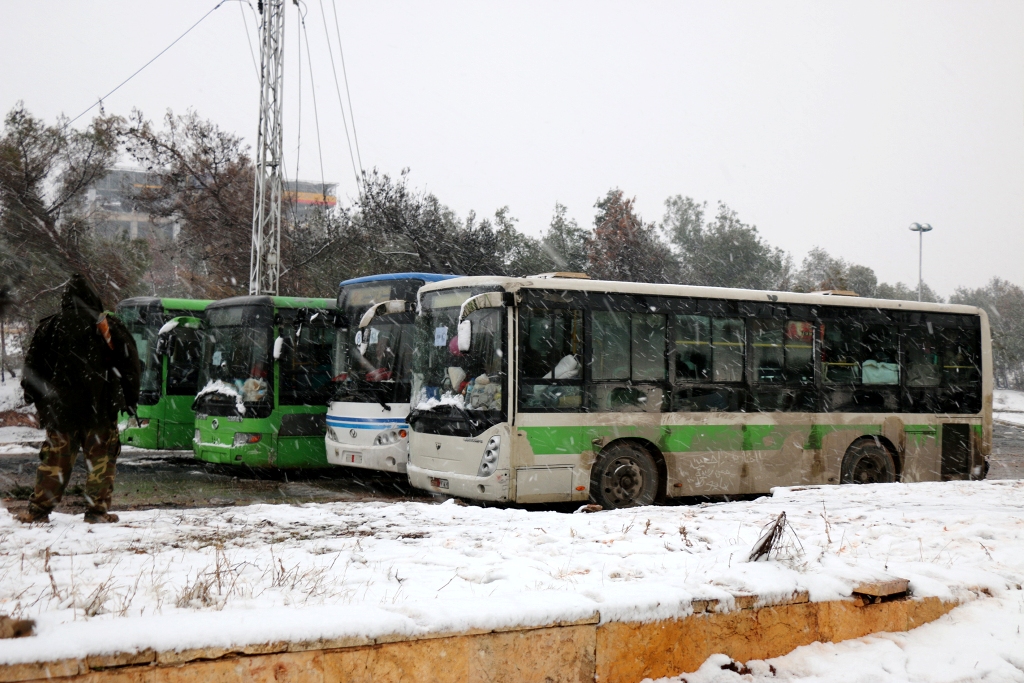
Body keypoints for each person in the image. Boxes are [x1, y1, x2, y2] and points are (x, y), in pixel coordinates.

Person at [16, 275, 140, 524]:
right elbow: (130, 364)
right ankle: (96, 512)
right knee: (101, 462)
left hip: (61, 411)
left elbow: (33, 367)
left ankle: (38, 510)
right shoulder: (107, 325)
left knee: (55, 462)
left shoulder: (50, 327)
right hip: (100, 411)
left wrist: (34, 396)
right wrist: (129, 399)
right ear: (92, 297)